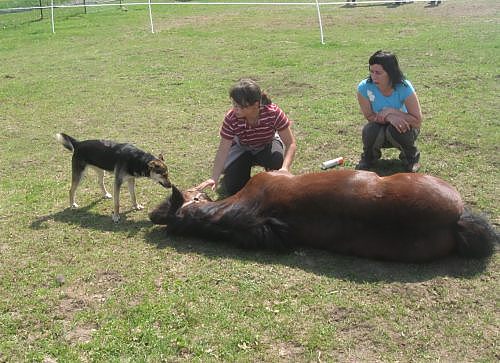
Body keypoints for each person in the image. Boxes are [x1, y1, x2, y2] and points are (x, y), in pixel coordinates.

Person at [197, 79, 297, 195]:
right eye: (234, 104)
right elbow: (223, 150)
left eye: (240, 106)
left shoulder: (273, 113)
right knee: (235, 189)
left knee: (277, 168)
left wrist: (284, 168)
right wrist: (213, 178)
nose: (235, 109)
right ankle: (233, 175)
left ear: (255, 105)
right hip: (242, 148)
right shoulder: (231, 118)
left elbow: (290, 143)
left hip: (266, 144)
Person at [356, 50, 422, 172]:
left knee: (398, 127)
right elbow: (370, 116)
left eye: (378, 73)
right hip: (379, 127)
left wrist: (392, 111)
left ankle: (411, 158)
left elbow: (417, 121)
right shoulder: (364, 87)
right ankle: (368, 158)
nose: (373, 76)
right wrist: (389, 117)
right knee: (370, 129)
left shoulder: (404, 87)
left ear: (390, 73)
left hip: (403, 129)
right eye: (371, 71)